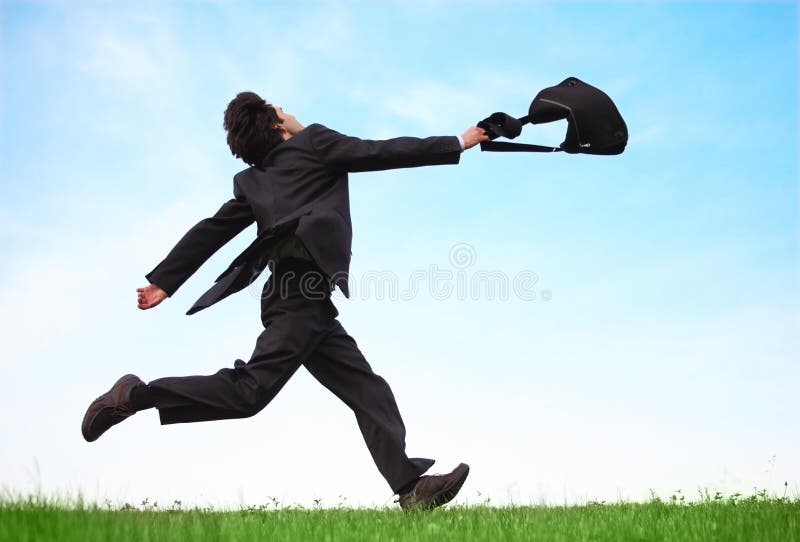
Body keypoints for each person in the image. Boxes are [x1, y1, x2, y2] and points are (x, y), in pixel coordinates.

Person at [81, 91, 489, 511]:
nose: (290, 112)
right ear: (278, 125)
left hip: (304, 298)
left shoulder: (254, 179)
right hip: (297, 297)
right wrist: (458, 141)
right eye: (282, 110)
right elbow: (379, 152)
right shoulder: (315, 143)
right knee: (249, 394)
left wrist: (164, 281)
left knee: (368, 390)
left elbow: (212, 228)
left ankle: (410, 488)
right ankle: (134, 396)